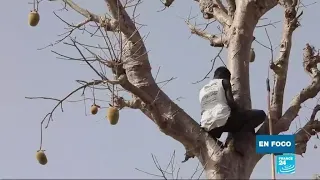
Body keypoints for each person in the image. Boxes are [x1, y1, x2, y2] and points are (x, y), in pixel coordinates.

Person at [199, 66, 266, 139]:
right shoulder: (224, 82)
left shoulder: (203, 90)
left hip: (206, 124)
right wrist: (241, 110)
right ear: (226, 77)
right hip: (223, 119)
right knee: (260, 114)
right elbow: (231, 104)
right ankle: (246, 137)